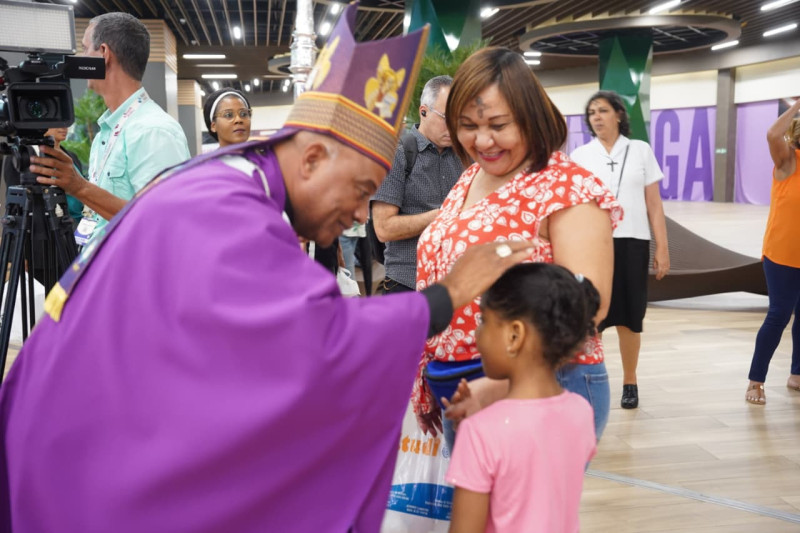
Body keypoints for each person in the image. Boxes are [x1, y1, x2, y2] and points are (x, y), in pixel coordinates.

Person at [0, 7, 533, 532]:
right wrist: (449, 293)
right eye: (361, 191)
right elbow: (315, 342)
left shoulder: (232, 178)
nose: (357, 216)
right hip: (84, 462)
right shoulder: (229, 208)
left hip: (81, 425)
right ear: (312, 159)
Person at [414, 47, 621, 448]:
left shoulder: (565, 186)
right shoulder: (471, 177)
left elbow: (587, 305)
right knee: (472, 511)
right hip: (461, 385)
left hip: (541, 384)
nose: (483, 140)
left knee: (518, 512)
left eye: (498, 124)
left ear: (530, 115)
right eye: (467, 125)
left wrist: (504, 384)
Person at [445, 263, 599, 533]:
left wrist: (474, 435)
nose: (477, 334)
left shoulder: (480, 432)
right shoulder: (581, 411)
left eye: (484, 321)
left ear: (515, 335)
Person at [28, 12, 190, 244]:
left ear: (103, 54)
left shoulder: (153, 130)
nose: (81, 58)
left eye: (85, 49)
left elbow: (162, 221)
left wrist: (80, 187)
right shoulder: (107, 131)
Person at [570, 90, 670, 410]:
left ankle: (630, 380)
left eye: (602, 110)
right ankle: (593, 378)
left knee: (630, 317)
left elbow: (654, 205)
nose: (596, 117)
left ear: (619, 115)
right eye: (591, 113)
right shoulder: (581, 156)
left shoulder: (640, 150)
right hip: (592, 244)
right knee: (592, 317)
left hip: (633, 243)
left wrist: (662, 248)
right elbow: (572, 206)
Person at [372, 75, 463, 294]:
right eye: (446, 117)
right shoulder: (397, 153)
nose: (453, 127)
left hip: (453, 284)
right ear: (424, 111)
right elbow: (383, 228)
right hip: (407, 282)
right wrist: (442, 216)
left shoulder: (463, 156)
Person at [745, 98, 800, 405]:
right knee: (779, 315)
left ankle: (797, 374)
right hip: (781, 255)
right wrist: (797, 105)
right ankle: (756, 381)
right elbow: (771, 134)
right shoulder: (788, 160)